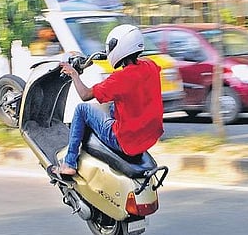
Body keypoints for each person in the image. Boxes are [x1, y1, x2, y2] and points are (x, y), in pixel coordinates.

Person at [52, 24, 164, 177]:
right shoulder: (150, 66)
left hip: (124, 140)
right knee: (113, 106)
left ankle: (69, 163)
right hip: (149, 135)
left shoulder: (119, 79)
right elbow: (136, 66)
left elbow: (85, 95)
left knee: (82, 110)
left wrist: (74, 74)